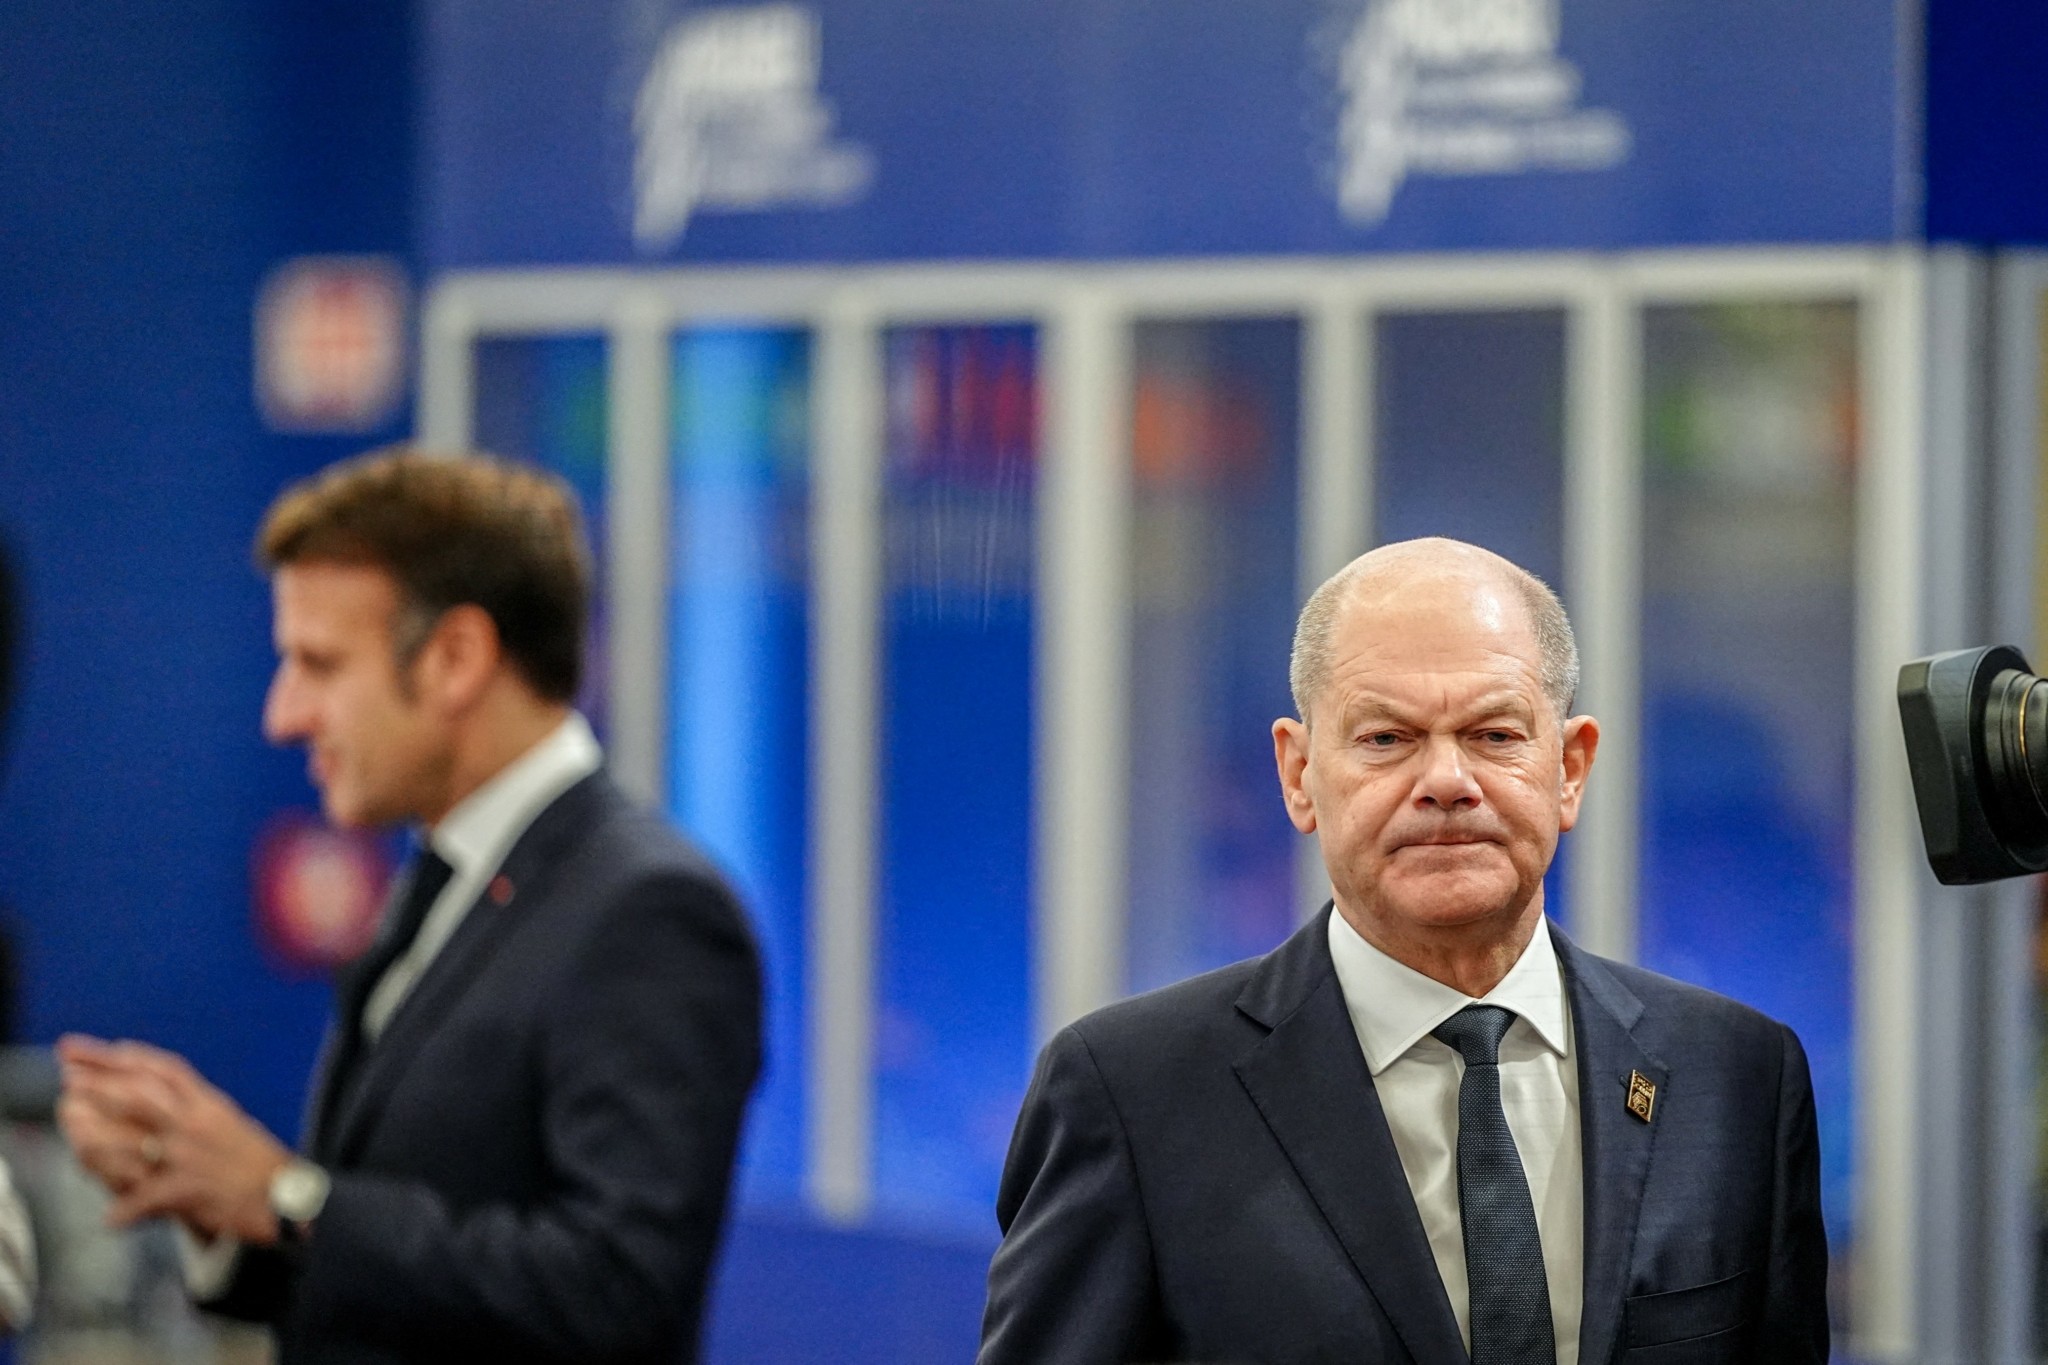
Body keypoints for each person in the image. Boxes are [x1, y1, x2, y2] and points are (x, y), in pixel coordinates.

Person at [979, 537, 1828, 1365]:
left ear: (1570, 768)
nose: (1447, 780)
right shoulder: (1132, 1092)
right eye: (1386, 738)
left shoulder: (1738, 1077)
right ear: (1299, 774)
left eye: (1495, 734)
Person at [54, 449, 762, 1364]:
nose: (283, 714)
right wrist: (218, 1203)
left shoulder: (649, 911)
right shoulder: (449, 874)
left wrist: (288, 1197)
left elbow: (619, 1291)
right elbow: (372, 1282)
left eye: (319, 664)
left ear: (456, 658)